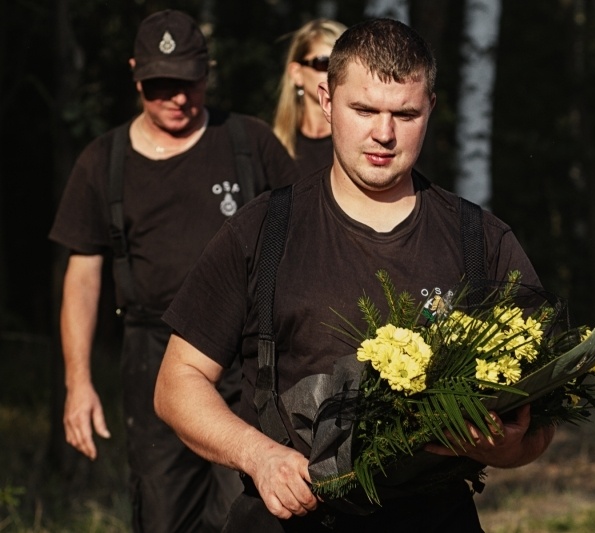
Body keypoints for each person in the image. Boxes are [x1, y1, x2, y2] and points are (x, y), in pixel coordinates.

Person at [154, 18, 555, 532]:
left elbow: (541, 423)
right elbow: (176, 382)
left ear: (431, 106)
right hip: (289, 519)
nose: (383, 134)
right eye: (363, 109)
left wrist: (507, 445)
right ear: (325, 100)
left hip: (436, 517)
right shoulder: (263, 230)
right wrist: (259, 456)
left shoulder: (482, 241)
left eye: (405, 113)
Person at [49, 9, 299, 533]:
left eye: (189, 82)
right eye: (161, 85)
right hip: (153, 355)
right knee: (163, 516)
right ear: (136, 71)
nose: (179, 98)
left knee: (250, 510)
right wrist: (79, 382)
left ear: (206, 73)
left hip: (249, 355)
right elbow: (83, 276)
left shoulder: (249, 143)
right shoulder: (103, 162)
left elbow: (309, 234)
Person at [272, 18, 347, 177]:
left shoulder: (360, 145)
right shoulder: (273, 146)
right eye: (324, 63)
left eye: (342, 65)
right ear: (296, 73)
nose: (335, 73)